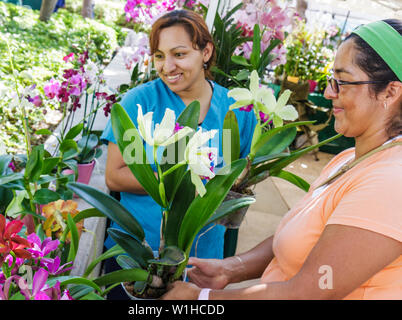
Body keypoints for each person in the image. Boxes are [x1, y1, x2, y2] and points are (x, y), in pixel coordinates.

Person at [163, 19, 402, 300]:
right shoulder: (349, 159)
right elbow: (301, 237)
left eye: (342, 82)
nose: (328, 93)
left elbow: (309, 292)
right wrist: (232, 269)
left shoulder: (390, 182)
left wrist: (199, 299)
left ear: (390, 91)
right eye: (330, 81)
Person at [101, 10, 257, 299]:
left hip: (202, 261)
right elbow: (116, 175)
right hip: (138, 258)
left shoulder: (236, 110)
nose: (167, 66)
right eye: (159, 56)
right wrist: (183, 180)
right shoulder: (142, 102)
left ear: (206, 52)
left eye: (179, 54)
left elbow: (241, 178)